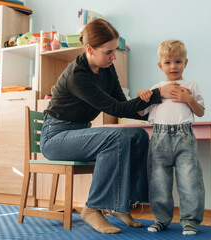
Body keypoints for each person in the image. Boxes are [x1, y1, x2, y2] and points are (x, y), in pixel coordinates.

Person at [39, 19, 182, 234]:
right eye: (108, 52)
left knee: (138, 136)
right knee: (116, 137)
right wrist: (156, 95)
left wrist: (155, 111)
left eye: (114, 51)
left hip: (79, 132)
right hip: (56, 137)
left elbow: (122, 103)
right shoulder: (78, 76)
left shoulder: (106, 68)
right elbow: (114, 108)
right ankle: (93, 208)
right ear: (89, 49)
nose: (113, 56)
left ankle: (121, 204)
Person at [137, 40, 205, 235]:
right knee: (158, 182)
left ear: (185, 63)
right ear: (160, 65)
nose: (173, 66)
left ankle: (190, 221)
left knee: (190, 182)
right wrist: (142, 95)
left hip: (185, 138)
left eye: (178, 61)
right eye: (167, 63)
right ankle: (161, 219)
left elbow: (200, 112)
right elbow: (141, 111)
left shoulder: (191, 85)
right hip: (159, 138)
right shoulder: (156, 87)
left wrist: (189, 99)